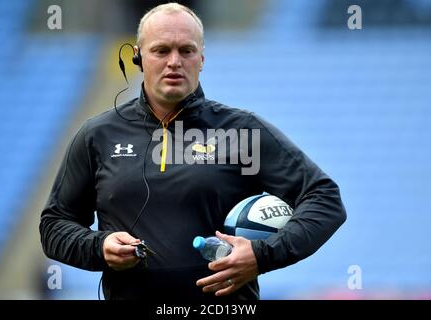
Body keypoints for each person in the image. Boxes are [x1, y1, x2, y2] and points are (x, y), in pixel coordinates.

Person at [39, 2, 346, 300]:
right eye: (161, 50)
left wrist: (262, 255)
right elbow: (54, 225)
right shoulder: (98, 135)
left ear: (201, 58)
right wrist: (98, 246)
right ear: (138, 57)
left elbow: (325, 199)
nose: (174, 62)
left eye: (186, 50)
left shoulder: (241, 132)